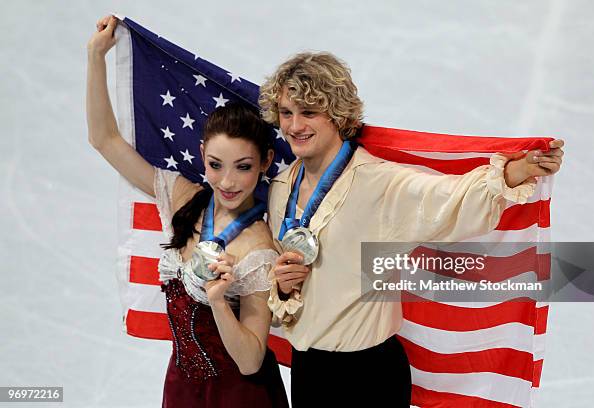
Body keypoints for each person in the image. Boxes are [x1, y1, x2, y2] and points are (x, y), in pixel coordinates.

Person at [259, 51, 564, 407]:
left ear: (337, 114)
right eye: (286, 113)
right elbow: (290, 287)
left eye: (308, 112)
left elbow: (451, 199)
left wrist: (517, 172)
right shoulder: (280, 189)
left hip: (370, 375)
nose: (294, 125)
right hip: (310, 370)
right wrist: (281, 288)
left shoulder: (379, 182)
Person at [87, 15, 289, 408]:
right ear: (202, 157)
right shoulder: (182, 195)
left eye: (242, 167)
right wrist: (96, 56)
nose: (227, 181)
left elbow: (250, 361)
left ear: (265, 162)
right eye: (216, 165)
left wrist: (217, 301)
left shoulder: (258, 249)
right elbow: (104, 139)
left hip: (239, 397)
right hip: (181, 387)